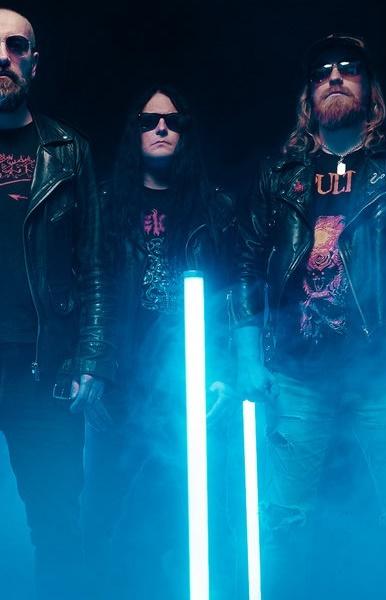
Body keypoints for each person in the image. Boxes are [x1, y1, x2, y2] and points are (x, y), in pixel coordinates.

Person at [232, 34, 386, 599]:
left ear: (370, 89)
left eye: (349, 69)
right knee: (283, 524)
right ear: (308, 95)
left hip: (384, 371)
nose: (334, 77)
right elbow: (245, 266)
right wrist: (246, 357)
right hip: (296, 374)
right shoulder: (280, 173)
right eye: (322, 72)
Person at [82, 84, 239, 600]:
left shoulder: (215, 208)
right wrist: (91, 365)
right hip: (119, 384)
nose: (162, 128)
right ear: (135, 132)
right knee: (106, 515)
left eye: (172, 121)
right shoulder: (104, 203)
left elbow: (232, 297)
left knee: (191, 517)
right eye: (149, 121)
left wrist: (224, 372)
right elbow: (88, 289)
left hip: (188, 384)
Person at [0, 8, 114, 600]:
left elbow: (94, 263)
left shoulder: (69, 151)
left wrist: (90, 358)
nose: (2, 56)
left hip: (43, 368)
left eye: (15, 46)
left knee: (56, 527)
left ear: (33, 62)